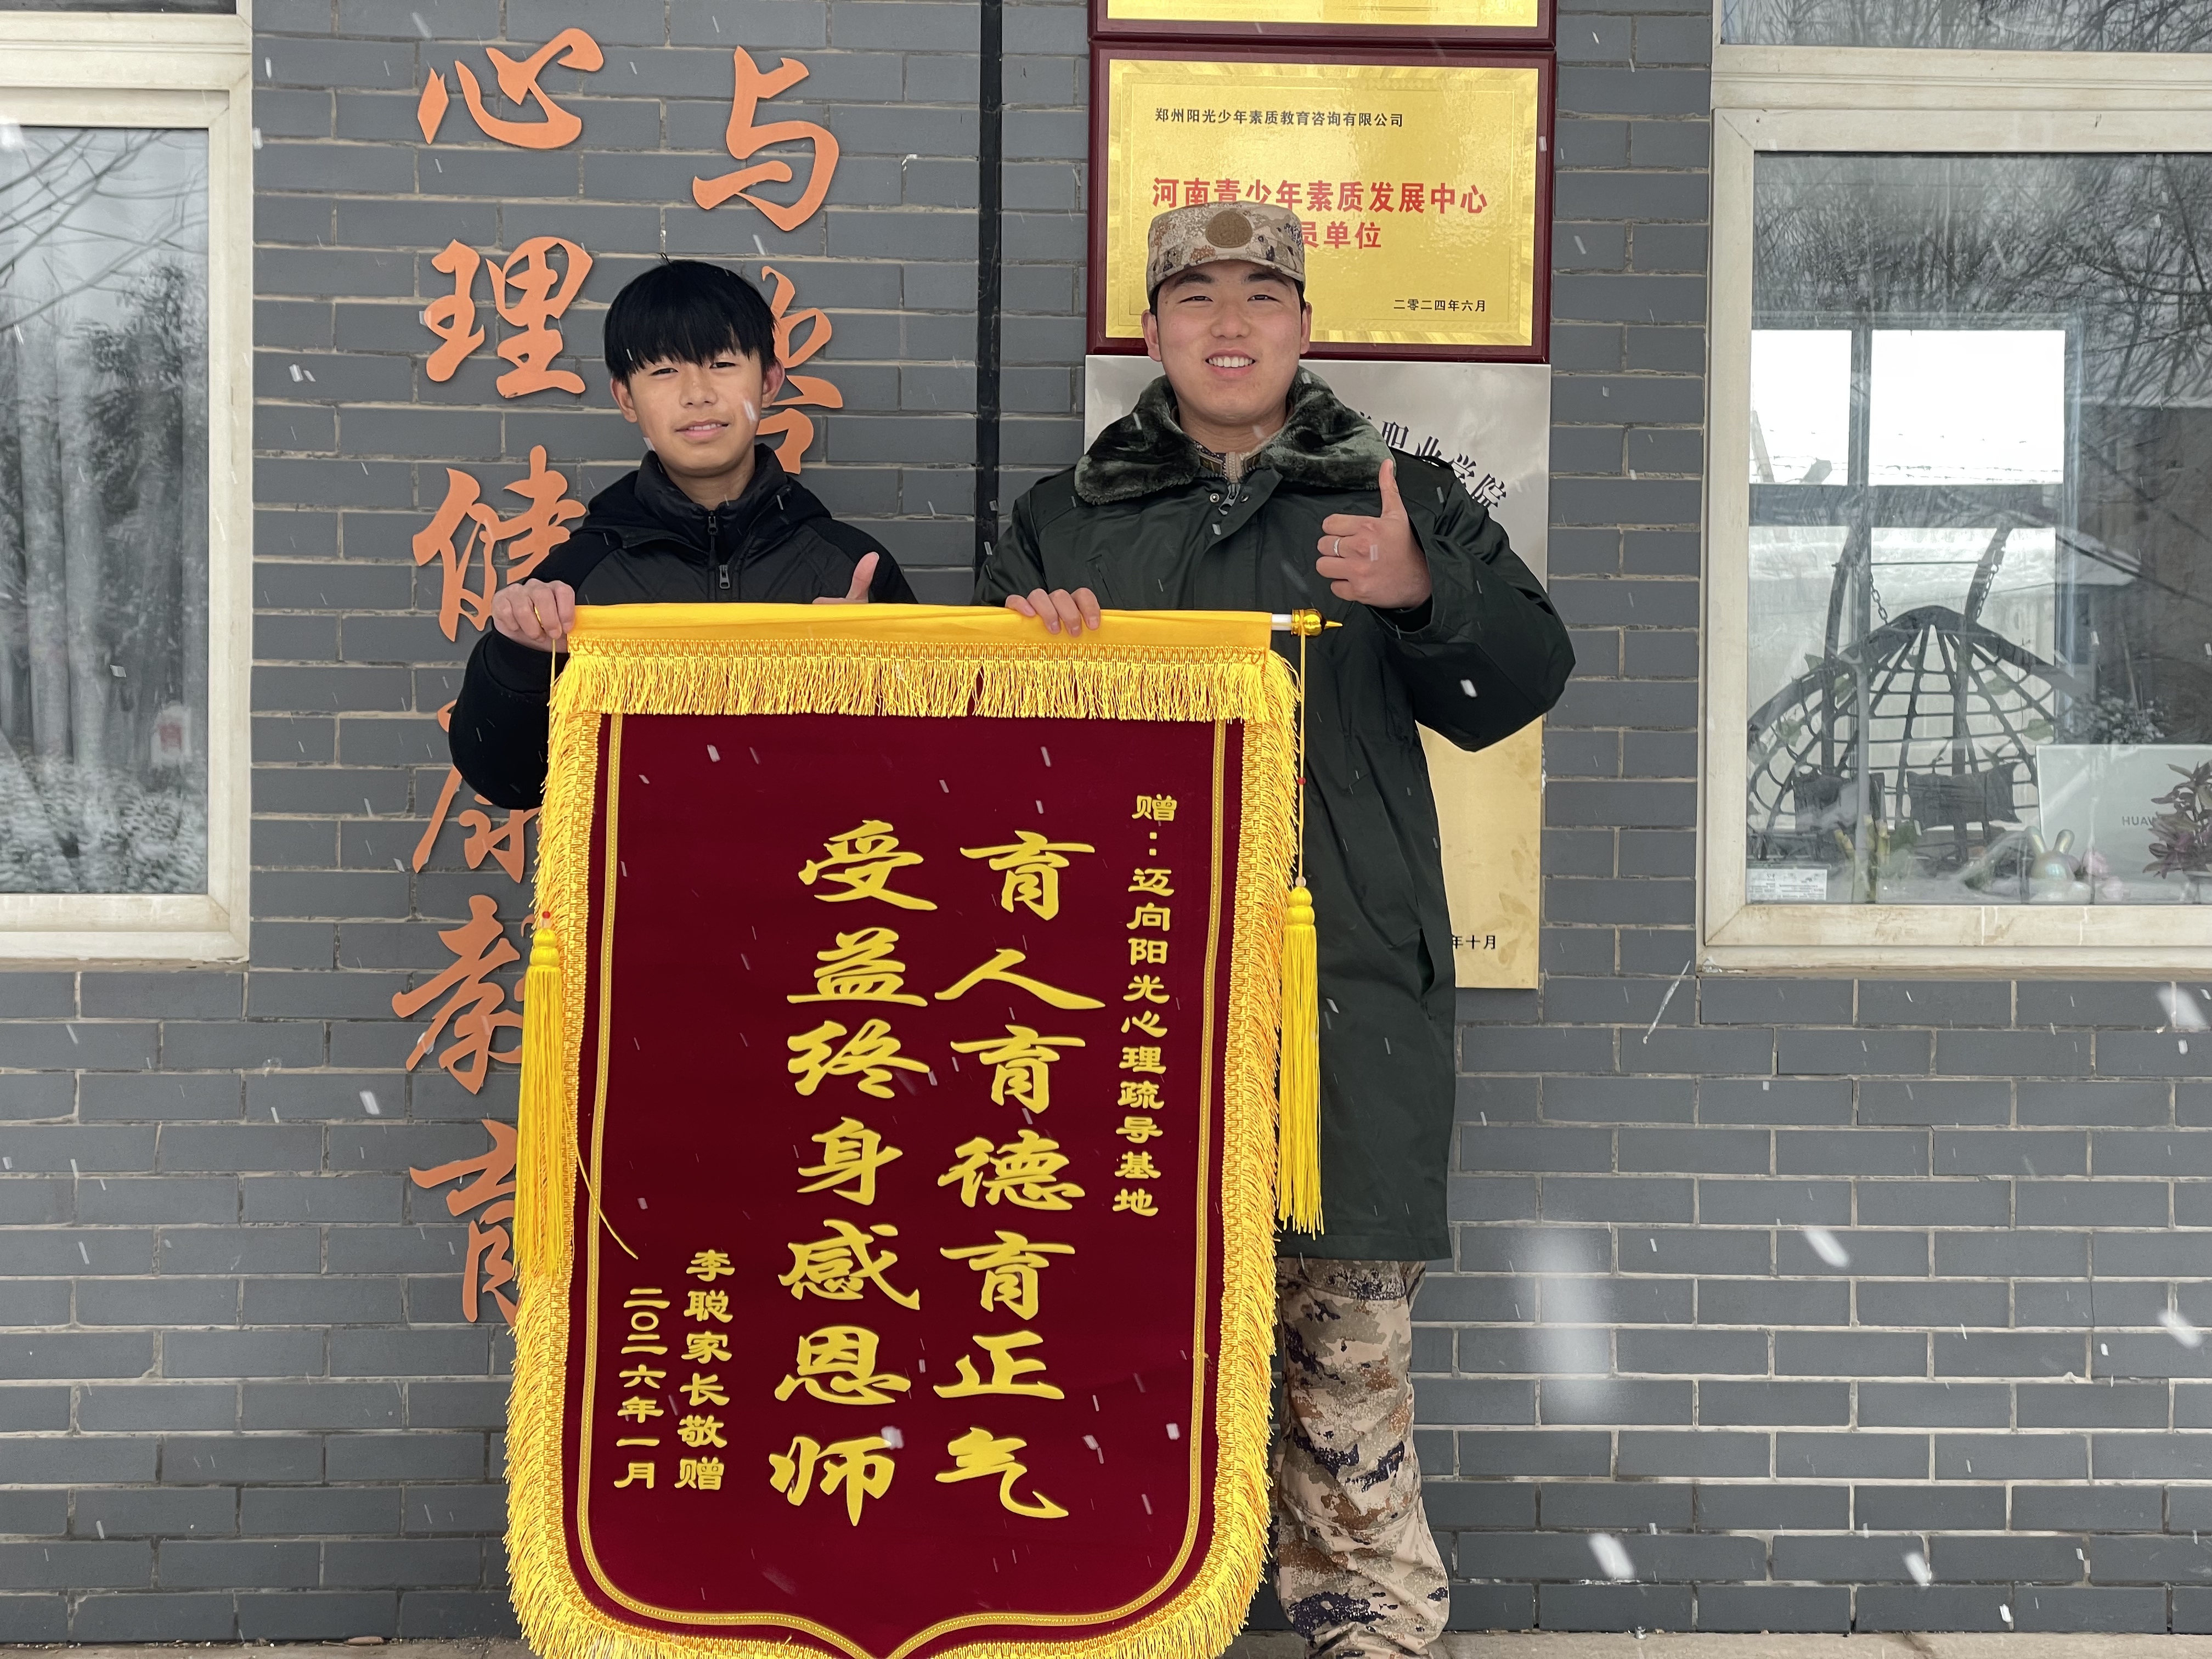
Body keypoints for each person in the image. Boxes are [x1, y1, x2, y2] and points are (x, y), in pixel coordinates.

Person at [979, 202, 1573, 1658]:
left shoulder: (1398, 494)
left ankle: (1365, 1627)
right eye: (1195, 298)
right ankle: (1104, 1615)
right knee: (1110, 1331)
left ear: (1306, 324)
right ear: (1152, 331)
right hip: (1121, 989)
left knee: (1342, 1349)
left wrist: (1424, 595)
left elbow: (1518, 685)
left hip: (1342, 987)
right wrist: (1029, 667)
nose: (1229, 324)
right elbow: (981, 766)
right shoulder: (1067, 518)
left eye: (1261, 295)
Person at [449, 258, 914, 807]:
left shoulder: (851, 568)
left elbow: (924, 776)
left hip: (818, 861)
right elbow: (509, 782)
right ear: (626, 398)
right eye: (665, 370)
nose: (697, 393)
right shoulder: (573, 582)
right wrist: (522, 658)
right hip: (638, 864)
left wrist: (875, 677)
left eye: (722, 363)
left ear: (769, 381)